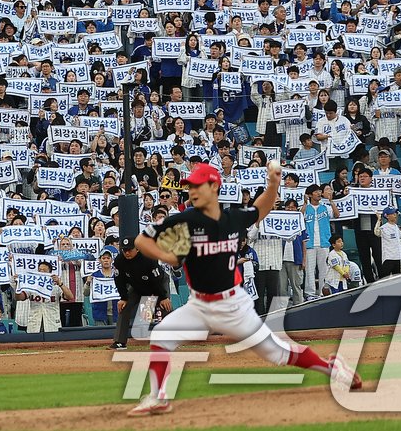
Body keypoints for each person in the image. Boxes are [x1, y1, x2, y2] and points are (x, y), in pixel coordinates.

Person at [129, 162, 360, 416]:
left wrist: (273, 184)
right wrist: (167, 256)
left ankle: (333, 368)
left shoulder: (233, 218)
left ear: (214, 186)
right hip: (198, 305)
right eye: (189, 186)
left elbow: (262, 208)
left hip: (233, 306)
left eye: (197, 185)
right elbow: (141, 240)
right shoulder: (184, 220)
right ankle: (158, 397)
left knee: (277, 353)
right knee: (162, 336)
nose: (192, 190)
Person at [111, 238, 171, 349]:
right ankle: (120, 342)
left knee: (165, 306)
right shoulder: (119, 260)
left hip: (158, 283)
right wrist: (123, 298)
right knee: (124, 307)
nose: (127, 253)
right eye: (124, 250)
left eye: (129, 250)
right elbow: (119, 280)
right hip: (137, 286)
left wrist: (163, 297)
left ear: (137, 249)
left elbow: (156, 280)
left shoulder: (148, 258)